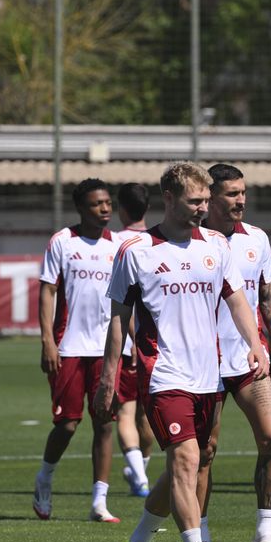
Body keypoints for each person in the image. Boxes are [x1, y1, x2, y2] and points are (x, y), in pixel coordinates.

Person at [98, 162, 266, 542]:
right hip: (163, 374)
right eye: (195, 201)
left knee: (185, 465)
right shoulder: (136, 251)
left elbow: (238, 300)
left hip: (208, 375)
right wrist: (108, 377)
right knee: (187, 460)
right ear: (169, 199)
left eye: (206, 200)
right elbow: (118, 318)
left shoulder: (215, 244)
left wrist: (255, 344)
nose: (203, 208)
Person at [198, 163, 271, 542]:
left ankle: (264, 534)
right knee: (205, 451)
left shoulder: (256, 238)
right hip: (202, 362)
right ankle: (200, 534)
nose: (241, 200)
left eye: (243, 192)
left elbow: (269, 295)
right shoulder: (194, 240)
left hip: (248, 359)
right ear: (211, 197)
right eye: (232, 194)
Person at [32, 179, 122, 523]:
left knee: (104, 422)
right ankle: (45, 477)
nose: (105, 209)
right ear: (82, 208)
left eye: (108, 203)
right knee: (68, 424)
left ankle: (99, 501)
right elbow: (47, 292)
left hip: (106, 349)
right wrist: (47, 341)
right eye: (98, 204)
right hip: (68, 347)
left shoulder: (120, 246)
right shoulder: (63, 242)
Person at [114, 183, 154, 497]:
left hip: (125, 345)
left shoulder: (115, 243)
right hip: (154, 346)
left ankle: (139, 475)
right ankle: (142, 467)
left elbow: (121, 301)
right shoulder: (153, 243)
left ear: (120, 209)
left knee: (126, 413)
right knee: (148, 413)